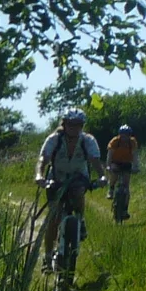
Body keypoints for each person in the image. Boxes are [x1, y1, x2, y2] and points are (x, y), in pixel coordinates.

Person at [35, 109, 103, 269]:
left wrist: (102, 176)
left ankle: (80, 219)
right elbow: (43, 159)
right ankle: (48, 256)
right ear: (64, 124)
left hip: (78, 177)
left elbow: (94, 160)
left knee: (78, 192)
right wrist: (39, 175)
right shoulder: (54, 139)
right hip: (56, 179)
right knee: (54, 218)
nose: (74, 128)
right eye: (71, 124)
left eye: (78, 125)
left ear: (82, 126)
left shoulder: (88, 140)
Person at [106, 124, 140, 219]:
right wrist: (108, 166)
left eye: (126, 135)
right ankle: (111, 189)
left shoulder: (132, 142)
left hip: (126, 163)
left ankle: (125, 209)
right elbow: (110, 154)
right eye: (122, 135)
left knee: (126, 187)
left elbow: (135, 155)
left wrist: (136, 167)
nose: (124, 137)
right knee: (114, 173)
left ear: (129, 135)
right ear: (119, 134)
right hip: (116, 162)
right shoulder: (115, 141)